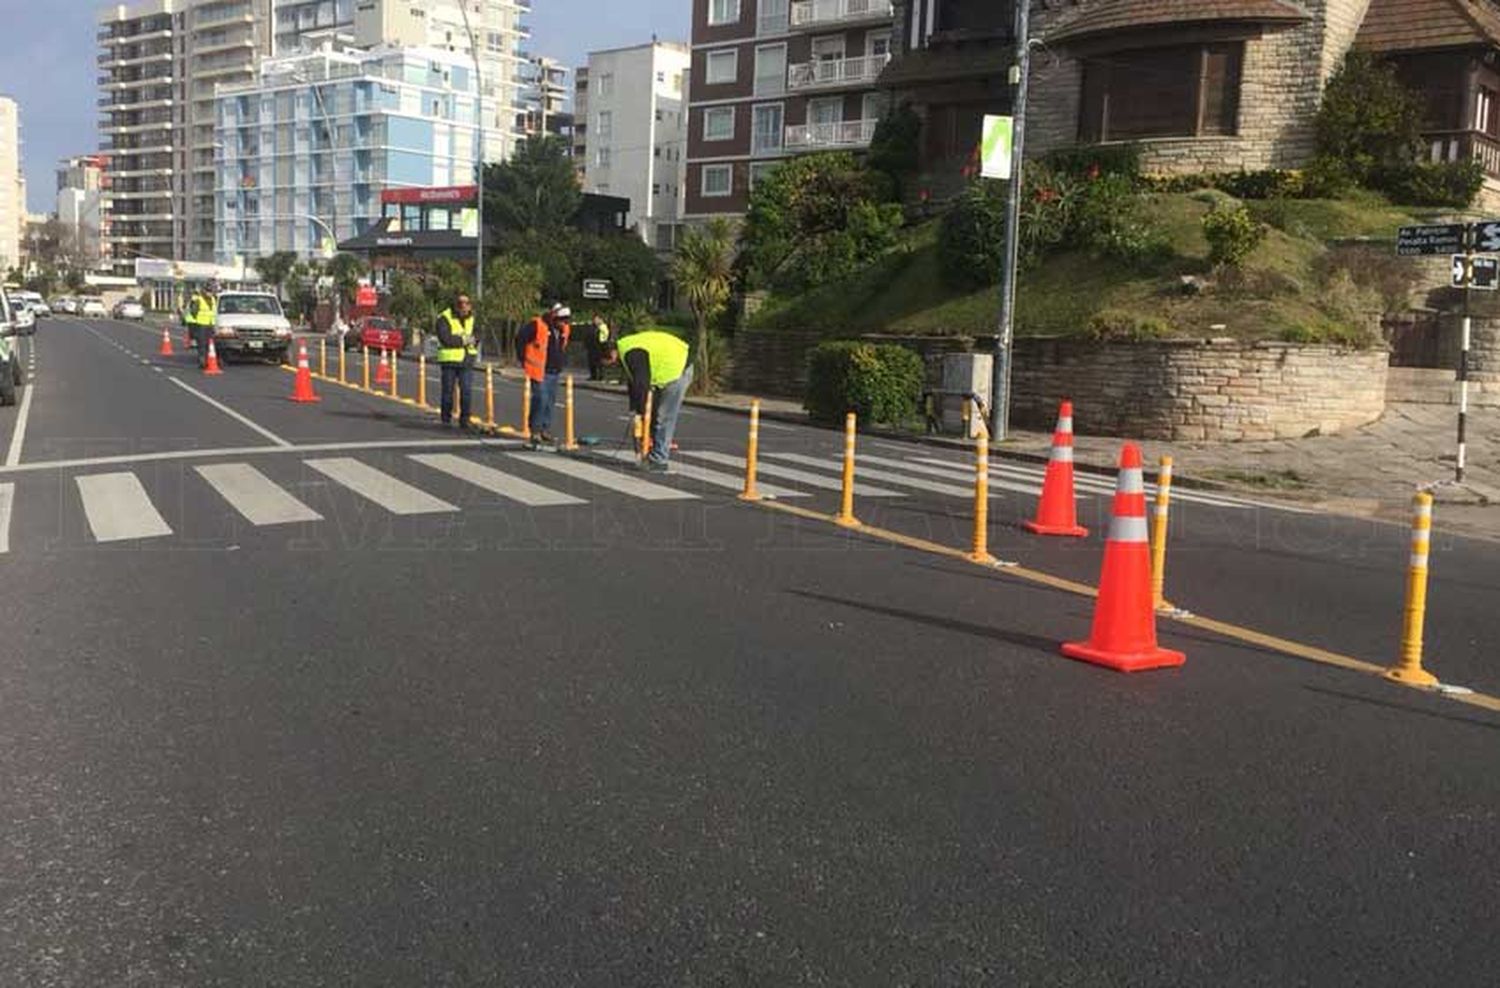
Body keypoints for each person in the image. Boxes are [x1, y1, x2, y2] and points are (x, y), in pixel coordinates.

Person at [603, 329, 693, 473]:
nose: (610, 366)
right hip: (671, 363)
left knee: (664, 417)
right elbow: (634, 384)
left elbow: (642, 385)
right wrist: (635, 411)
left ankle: (659, 460)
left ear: (613, 354)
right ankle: (651, 448)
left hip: (678, 367)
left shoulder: (632, 353)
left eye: (608, 363)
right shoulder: (626, 348)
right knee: (655, 414)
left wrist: (643, 413)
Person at [518, 303, 571, 446]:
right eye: (562, 319)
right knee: (541, 399)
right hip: (539, 370)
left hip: (554, 370)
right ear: (554, 316)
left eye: (566, 320)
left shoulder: (564, 329)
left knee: (549, 402)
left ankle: (544, 430)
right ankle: (535, 431)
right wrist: (523, 359)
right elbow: (521, 339)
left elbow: (562, 346)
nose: (565, 323)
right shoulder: (537, 325)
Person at [433, 292, 478, 428]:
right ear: (455, 305)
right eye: (461, 303)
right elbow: (446, 339)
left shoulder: (472, 319)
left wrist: (474, 340)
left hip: (466, 360)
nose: (464, 306)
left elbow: (477, 334)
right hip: (450, 360)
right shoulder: (444, 317)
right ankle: (446, 418)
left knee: (466, 390)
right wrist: (464, 340)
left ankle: (465, 419)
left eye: (467, 303)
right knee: (448, 390)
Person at [186, 280, 219, 365]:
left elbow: (214, 312)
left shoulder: (213, 299)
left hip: (210, 324)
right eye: (209, 291)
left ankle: (208, 360)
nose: (210, 293)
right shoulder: (199, 299)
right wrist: (197, 320)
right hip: (201, 325)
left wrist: (214, 324)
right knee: (202, 344)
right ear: (205, 291)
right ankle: (202, 361)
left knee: (209, 344)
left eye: (212, 291)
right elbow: (193, 312)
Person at [585, 313, 612, 381]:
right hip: (592, 347)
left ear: (600, 319)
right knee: (592, 362)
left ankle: (600, 376)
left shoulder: (603, 327)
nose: (595, 321)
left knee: (599, 362)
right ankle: (594, 376)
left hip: (599, 347)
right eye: (594, 319)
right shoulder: (593, 328)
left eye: (596, 319)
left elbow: (604, 338)